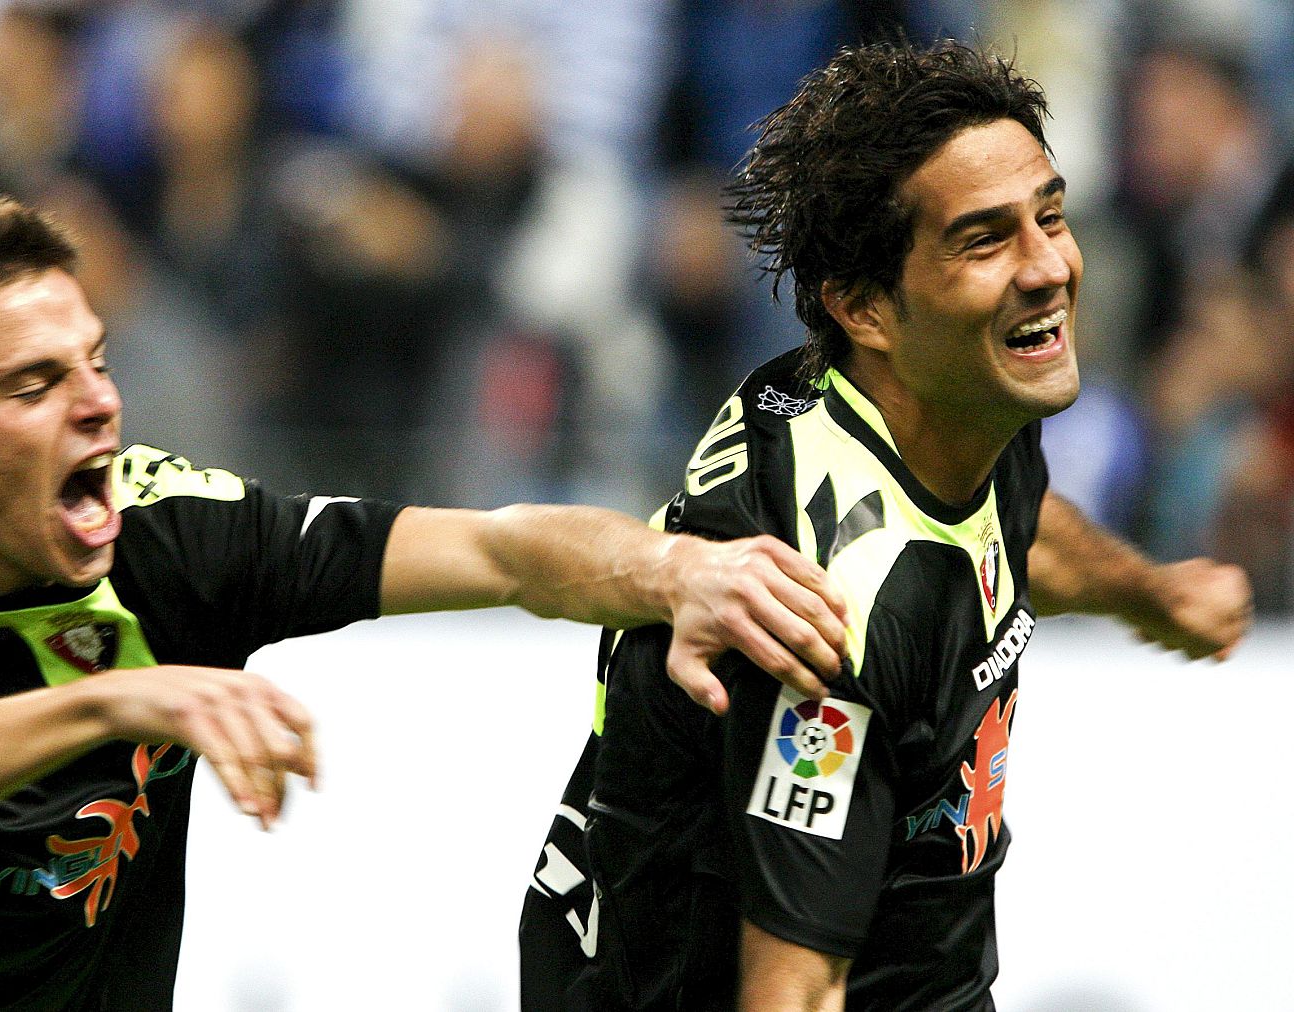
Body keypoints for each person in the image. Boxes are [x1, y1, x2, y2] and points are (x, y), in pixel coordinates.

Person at [0, 193, 855, 1010]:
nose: (98, 403)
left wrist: (676, 571)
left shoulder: (167, 531)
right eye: (33, 384)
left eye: (95, 359)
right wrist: (118, 702)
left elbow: (502, 551)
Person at [518, 40, 1252, 1010]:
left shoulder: (941, 393)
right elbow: (795, 989)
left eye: (1049, 215)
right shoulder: (827, 616)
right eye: (984, 241)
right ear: (864, 307)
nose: (1047, 268)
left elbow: (1011, 521)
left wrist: (1150, 593)